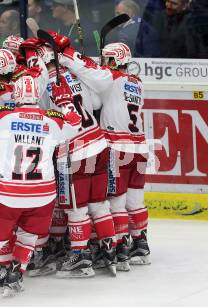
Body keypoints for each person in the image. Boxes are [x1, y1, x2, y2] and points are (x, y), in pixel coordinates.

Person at [0, 72, 81, 301]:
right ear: (37, 95)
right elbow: (76, 124)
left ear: (16, 95)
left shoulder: (2, 117)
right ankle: (16, 276)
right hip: (43, 194)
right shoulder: (53, 120)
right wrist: (66, 102)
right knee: (28, 238)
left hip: (10, 192)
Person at [61, 41, 151, 266]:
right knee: (136, 202)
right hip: (140, 148)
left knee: (116, 203)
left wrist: (70, 58)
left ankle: (119, 249)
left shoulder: (109, 78)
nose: (103, 62)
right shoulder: (137, 83)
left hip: (117, 148)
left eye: (106, 59)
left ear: (113, 61)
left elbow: (95, 92)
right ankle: (140, 244)